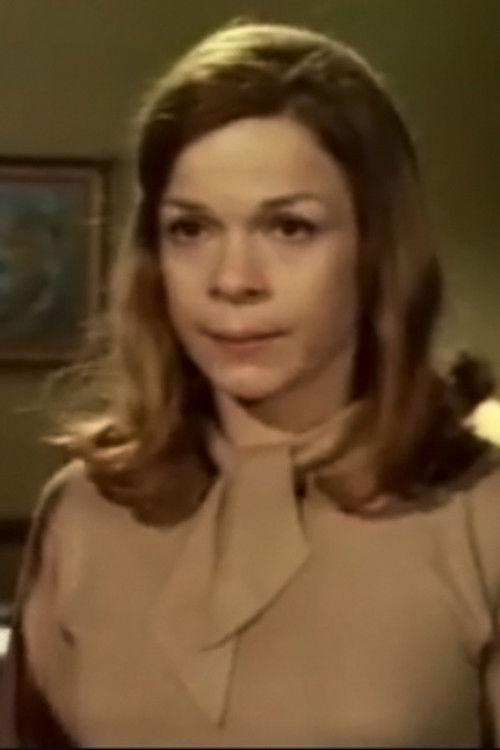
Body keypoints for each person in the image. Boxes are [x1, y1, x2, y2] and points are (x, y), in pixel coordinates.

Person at [1, 18, 499, 748]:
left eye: (289, 228)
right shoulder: (85, 512)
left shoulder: (479, 518)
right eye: (192, 230)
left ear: (376, 247)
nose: (233, 280)